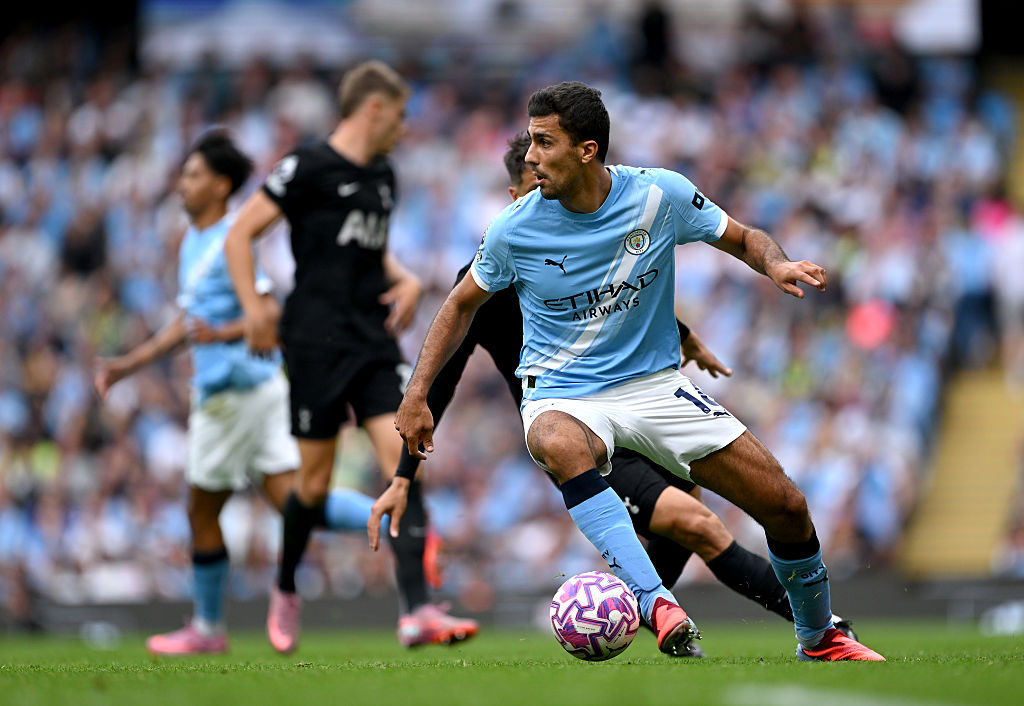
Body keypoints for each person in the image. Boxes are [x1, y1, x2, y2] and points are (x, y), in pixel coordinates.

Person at [383, 82, 884, 661]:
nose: (529, 156)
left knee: (786, 505)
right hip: (564, 394)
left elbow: (742, 238)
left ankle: (820, 636)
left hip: (654, 388)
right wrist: (416, 395)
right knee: (556, 440)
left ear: (587, 149)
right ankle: (652, 601)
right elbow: (458, 305)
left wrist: (775, 263)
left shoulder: (658, 194)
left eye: (544, 142)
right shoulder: (513, 229)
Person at [95, 131, 387, 656]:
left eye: (193, 175)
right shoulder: (194, 242)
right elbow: (189, 324)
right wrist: (128, 365)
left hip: (231, 396)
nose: (182, 185)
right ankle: (398, 520)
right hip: (257, 392)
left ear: (221, 184)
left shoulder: (231, 236)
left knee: (201, 512)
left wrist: (223, 334)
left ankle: (207, 629)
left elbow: (269, 314)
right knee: (299, 504)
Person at [223, 60, 477, 653]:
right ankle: (285, 587)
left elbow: (367, 249)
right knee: (310, 485)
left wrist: (405, 278)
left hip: (370, 341)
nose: (405, 127)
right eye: (401, 115)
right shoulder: (307, 166)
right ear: (374, 108)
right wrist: (256, 308)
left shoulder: (384, 175)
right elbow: (241, 234)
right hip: (312, 342)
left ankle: (417, 610)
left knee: (406, 455)